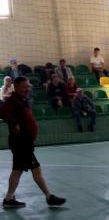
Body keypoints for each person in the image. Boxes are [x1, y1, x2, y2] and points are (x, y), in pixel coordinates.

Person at [0, 76, 65, 208]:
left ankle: (9, 198)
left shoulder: (22, 100)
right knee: (31, 169)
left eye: (28, 86)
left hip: (24, 142)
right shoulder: (12, 101)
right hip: (21, 142)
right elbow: (2, 113)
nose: (27, 89)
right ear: (16, 87)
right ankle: (48, 197)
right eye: (24, 87)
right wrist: (13, 123)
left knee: (21, 170)